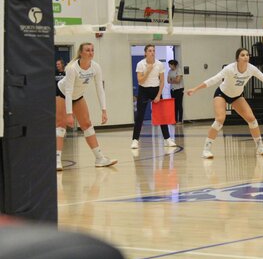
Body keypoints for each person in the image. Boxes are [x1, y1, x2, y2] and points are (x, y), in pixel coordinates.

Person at [186, 48, 263, 159]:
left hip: (237, 96)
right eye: (242, 55)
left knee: (252, 119)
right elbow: (213, 80)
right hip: (222, 94)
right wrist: (195, 89)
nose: (246, 57)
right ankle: (206, 149)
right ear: (237, 58)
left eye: (247, 55)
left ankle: (260, 147)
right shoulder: (229, 69)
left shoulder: (252, 69)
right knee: (220, 120)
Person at [55, 43, 117, 171]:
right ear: (81, 53)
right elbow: (68, 91)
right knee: (61, 125)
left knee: (87, 124)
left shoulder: (95, 67)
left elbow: (100, 88)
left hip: (78, 96)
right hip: (62, 93)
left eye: (92, 50)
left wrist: (104, 110)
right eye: (87, 50)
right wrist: (69, 114)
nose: (91, 52)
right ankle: (56, 160)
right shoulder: (72, 68)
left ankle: (99, 158)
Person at [131, 45, 176, 150]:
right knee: (139, 117)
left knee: (161, 115)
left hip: (156, 90)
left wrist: (158, 95)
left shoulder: (159, 64)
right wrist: (148, 70)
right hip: (143, 90)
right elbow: (140, 81)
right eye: (150, 51)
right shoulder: (140, 64)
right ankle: (135, 140)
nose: (152, 52)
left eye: (153, 51)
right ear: (145, 52)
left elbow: (162, 81)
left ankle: (167, 139)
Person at [167, 59, 184, 124]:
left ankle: (180, 120)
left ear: (173, 65)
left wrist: (172, 79)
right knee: (174, 105)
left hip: (179, 89)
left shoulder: (179, 70)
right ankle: (175, 120)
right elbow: (168, 81)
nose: (169, 66)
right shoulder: (169, 71)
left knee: (179, 104)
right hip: (173, 90)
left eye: (170, 65)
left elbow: (178, 81)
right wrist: (174, 79)